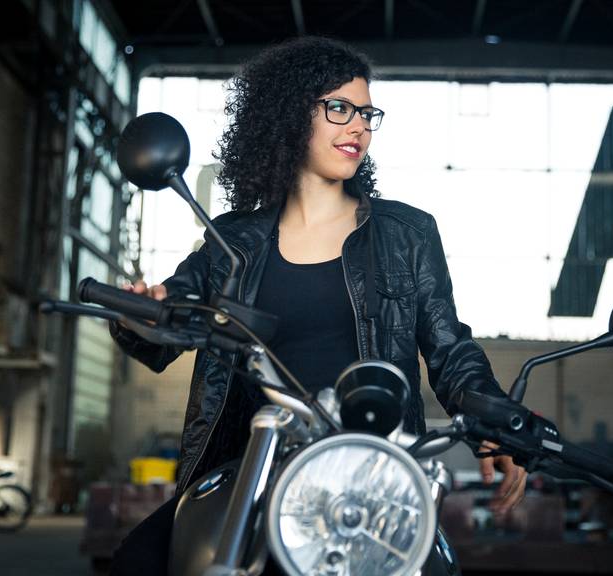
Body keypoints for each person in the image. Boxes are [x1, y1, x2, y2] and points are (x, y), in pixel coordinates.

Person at [108, 36, 527, 575]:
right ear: (287, 115)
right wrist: (138, 312)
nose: (359, 126)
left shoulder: (408, 233)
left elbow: (451, 349)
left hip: (373, 476)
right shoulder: (232, 240)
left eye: (367, 113)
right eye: (340, 109)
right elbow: (161, 329)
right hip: (250, 472)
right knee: (138, 562)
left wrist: (493, 419)